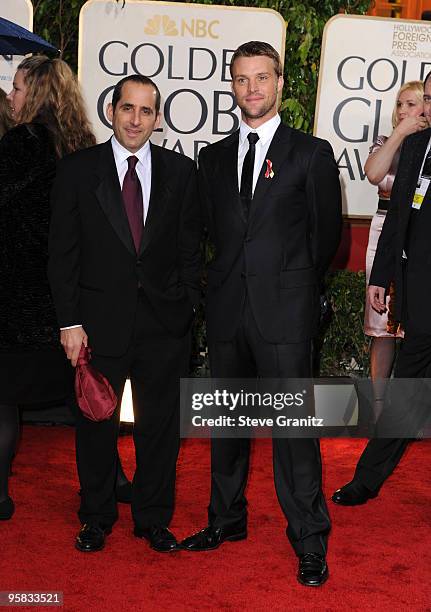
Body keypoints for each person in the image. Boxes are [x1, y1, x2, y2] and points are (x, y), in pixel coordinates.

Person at [180, 42, 342, 587]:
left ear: (279, 83)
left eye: (262, 78)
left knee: (294, 433)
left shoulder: (311, 154)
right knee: (228, 425)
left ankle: (310, 540)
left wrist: (292, 289)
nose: (252, 88)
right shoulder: (213, 158)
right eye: (241, 79)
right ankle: (225, 521)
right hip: (227, 313)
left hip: (285, 315)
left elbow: (326, 242)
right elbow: (210, 235)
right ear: (232, 86)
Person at [48, 74, 201, 553]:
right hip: (97, 326)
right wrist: (69, 323)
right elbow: (62, 254)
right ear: (111, 110)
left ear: (157, 118)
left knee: (160, 429)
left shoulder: (180, 172)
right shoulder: (77, 171)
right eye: (127, 109)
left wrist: (188, 305)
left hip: (164, 325)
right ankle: (96, 516)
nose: (136, 120)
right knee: (96, 426)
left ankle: (152, 517)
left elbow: (190, 250)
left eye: (146, 111)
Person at [0, 56, 95, 522]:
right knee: (83, 397)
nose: (10, 96)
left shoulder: (24, 141)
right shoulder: (80, 145)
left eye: (17, 88)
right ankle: (103, 484)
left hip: (17, 296)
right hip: (67, 297)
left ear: (35, 94)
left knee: (1, 397)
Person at [332, 71, 431, 506]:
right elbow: (398, 221)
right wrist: (379, 277)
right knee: (407, 388)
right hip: (421, 289)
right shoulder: (414, 145)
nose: (427, 107)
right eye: (426, 98)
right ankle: (368, 479)